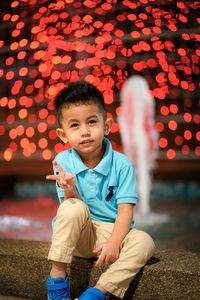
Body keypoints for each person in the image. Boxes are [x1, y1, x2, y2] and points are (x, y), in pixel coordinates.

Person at [46, 80, 155, 300]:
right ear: (63, 134)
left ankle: (96, 293)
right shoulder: (62, 162)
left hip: (110, 234)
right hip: (79, 235)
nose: (85, 131)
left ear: (106, 126)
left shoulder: (122, 164)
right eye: (75, 125)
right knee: (71, 207)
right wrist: (70, 190)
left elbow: (125, 210)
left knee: (145, 242)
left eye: (92, 122)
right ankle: (57, 279)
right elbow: (70, 212)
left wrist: (115, 242)